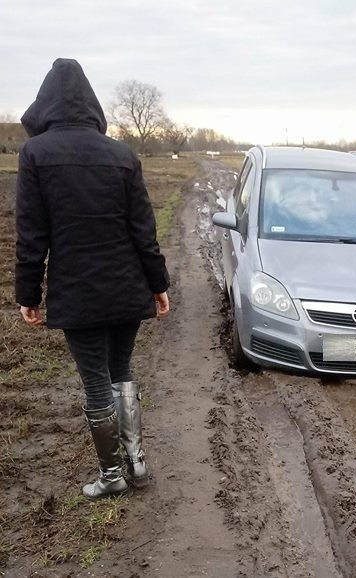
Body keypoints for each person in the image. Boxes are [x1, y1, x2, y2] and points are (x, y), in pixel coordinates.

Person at [15, 59, 170, 499]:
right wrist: (158, 286)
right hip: (127, 286)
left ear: (45, 103)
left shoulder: (36, 154)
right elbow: (144, 231)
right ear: (91, 104)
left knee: (96, 380)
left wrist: (28, 292)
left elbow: (32, 233)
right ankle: (136, 465)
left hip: (77, 289)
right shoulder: (122, 154)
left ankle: (111, 474)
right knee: (120, 369)